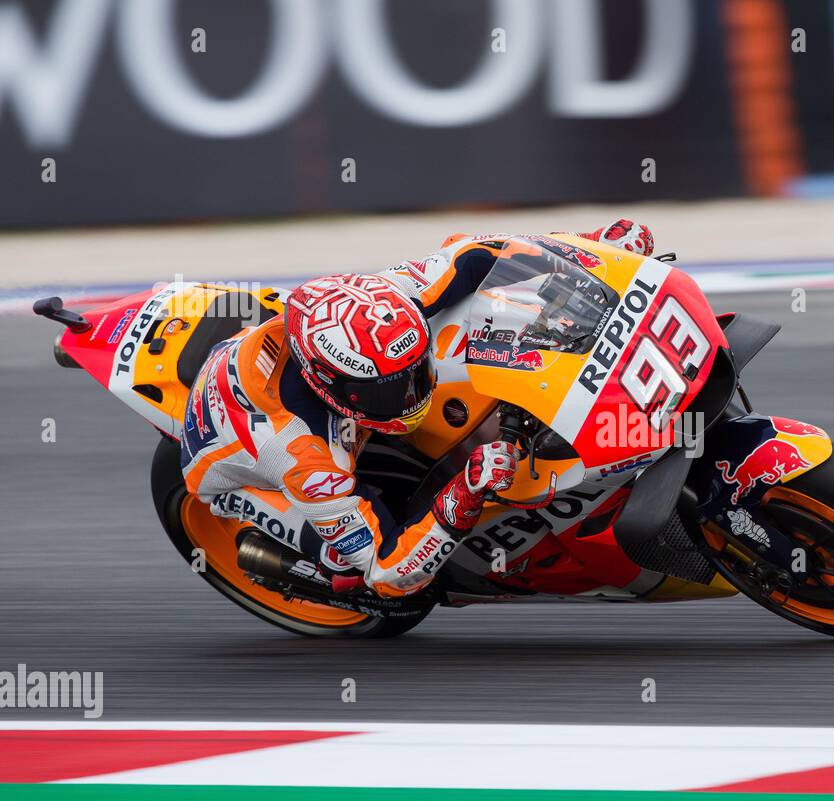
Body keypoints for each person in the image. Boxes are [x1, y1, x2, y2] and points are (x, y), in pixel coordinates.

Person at [179, 219, 654, 597]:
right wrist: (465, 491)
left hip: (290, 374)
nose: (411, 394)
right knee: (350, 568)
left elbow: (487, 250)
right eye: (389, 390)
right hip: (234, 465)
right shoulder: (303, 456)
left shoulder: (391, 300)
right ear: (331, 386)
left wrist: (590, 248)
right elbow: (389, 570)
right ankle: (320, 572)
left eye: (413, 371)